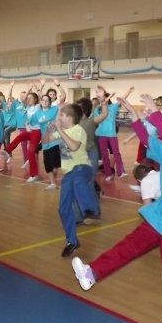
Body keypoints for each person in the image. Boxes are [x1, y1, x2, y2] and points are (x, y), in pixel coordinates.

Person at [71, 93, 162, 323]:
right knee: (128, 246)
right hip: (161, 216)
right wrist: (134, 116)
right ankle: (92, 273)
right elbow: (149, 141)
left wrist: (157, 114)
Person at [49, 103, 100, 257]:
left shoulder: (78, 130)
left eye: (62, 115)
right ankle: (72, 241)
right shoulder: (62, 131)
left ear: (70, 118)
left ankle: (90, 208)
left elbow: (73, 147)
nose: (59, 118)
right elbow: (46, 139)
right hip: (68, 174)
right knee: (63, 208)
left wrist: (59, 130)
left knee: (78, 180)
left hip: (82, 167)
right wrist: (48, 129)